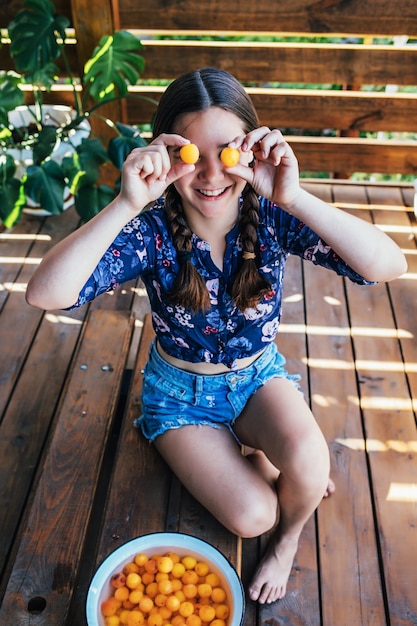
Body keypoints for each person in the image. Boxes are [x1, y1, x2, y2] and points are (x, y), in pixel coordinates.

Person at [26, 68, 407, 605]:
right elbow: (45, 294)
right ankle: (255, 462)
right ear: (163, 154)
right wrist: (126, 203)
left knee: (307, 467)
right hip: (180, 398)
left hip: (257, 379)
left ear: (251, 150)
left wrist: (295, 198)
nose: (209, 175)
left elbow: (387, 263)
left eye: (226, 153)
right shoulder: (151, 231)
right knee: (255, 515)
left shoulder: (273, 215)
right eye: (190, 157)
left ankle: (289, 535)